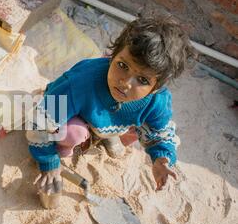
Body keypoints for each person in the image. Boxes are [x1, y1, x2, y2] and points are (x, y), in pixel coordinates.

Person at [26, 14, 196, 207]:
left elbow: (160, 133)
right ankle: (66, 147)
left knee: (138, 128)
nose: (125, 83)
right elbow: (40, 122)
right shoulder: (80, 82)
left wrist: (161, 159)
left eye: (142, 80)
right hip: (77, 116)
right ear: (112, 56)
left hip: (113, 122)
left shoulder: (157, 100)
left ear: (156, 87)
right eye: (122, 66)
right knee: (73, 133)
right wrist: (49, 162)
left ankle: (106, 136)